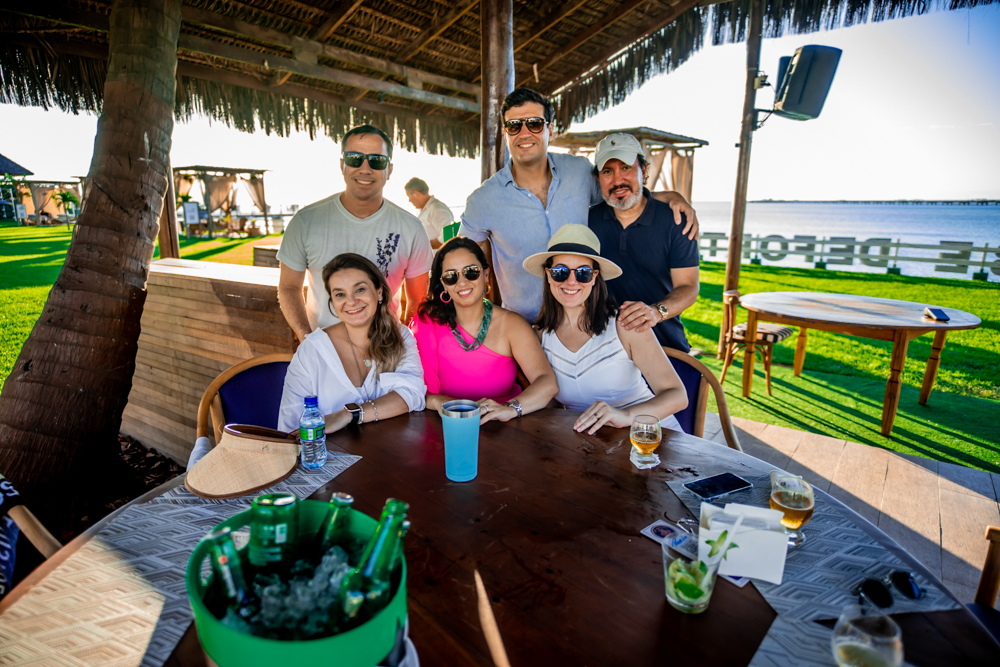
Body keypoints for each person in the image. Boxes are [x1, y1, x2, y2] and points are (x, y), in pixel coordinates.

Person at [459, 87, 700, 323]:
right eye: (514, 125)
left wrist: (669, 196)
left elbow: (618, 191)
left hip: (586, 326)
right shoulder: (483, 200)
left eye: (534, 123)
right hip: (526, 328)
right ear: (505, 133)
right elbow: (465, 264)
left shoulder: (580, 171)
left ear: (550, 129)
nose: (524, 133)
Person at [524, 225, 687, 435]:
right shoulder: (539, 335)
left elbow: (677, 396)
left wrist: (625, 416)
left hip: (650, 438)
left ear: (594, 277)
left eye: (583, 273)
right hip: (592, 447)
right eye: (560, 272)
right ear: (548, 275)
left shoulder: (624, 325)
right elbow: (551, 404)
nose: (571, 281)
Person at [277, 124, 432, 341]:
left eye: (377, 160)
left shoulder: (411, 228)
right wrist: (307, 340)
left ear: (389, 169)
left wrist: (401, 342)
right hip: (323, 352)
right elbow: (288, 287)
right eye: (354, 158)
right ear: (342, 165)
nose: (365, 169)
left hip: (385, 351)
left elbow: (418, 297)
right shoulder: (305, 221)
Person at [410, 237, 558, 424]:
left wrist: (511, 409)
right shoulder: (426, 325)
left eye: (471, 272)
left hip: (507, 427)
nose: (462, 282)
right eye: (451, 276)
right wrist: (436, 400)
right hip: (447, 426)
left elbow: (547, 382)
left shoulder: (512, 324)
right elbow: (409, 389)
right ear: (444, 285)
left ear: (486, 274)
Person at [277, 253, 426, 433]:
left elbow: (412, 394)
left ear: (379, 292)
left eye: (360, 289)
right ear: (333, 302)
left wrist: (348, 414)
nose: (351, 301)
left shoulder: (401, 335)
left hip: (389, 454)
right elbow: (290, 428)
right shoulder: (311, 351)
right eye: (340, 294)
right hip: (326, 457)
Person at [588, 132, 700, 351]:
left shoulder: (675, 220)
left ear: (644, 170)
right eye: (607, 171)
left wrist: (656, 312)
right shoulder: (587, 221)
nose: (617, 180)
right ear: (598, 178)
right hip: (602, 349)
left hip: (664, 344)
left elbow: (688, 286)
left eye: (626, 168)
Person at [404, 177, 453, 250]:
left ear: (416, 194)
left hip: (437, 259)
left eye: (409, 196)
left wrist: (423, 245)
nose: (409, 200)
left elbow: (448, 236)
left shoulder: (436, 209)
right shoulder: (424, 211)